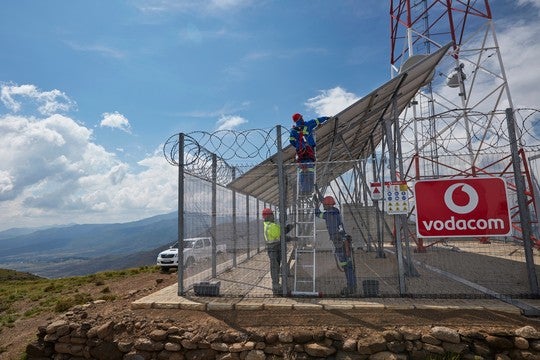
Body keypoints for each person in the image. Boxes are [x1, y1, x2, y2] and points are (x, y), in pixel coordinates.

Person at [315, 195, 357, 296]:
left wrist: (316, 205)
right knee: (348, 265)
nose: (323, 206)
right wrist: (321, 200)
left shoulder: (328, 214)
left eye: (324, 205)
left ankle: (351, 287)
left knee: (346, 266)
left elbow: (318, 214)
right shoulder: (335, 211)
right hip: (343, 239)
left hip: (339, 241)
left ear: (327, 205)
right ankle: (352, 285)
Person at [289, 113, 331, 195]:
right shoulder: (307, 125)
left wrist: (298, 146)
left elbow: (291, 141)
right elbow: (317, 120)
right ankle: (309, 190)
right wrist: (326, 118)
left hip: (301, 154)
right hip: (309, 153)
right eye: (302, 117)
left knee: (302, 172)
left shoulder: (293, 130)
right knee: (310, 171)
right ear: (300, 118)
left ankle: (303, 190)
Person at [262, 208, 295, 295]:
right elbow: (282, 234)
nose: (273, 216)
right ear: (268, 216)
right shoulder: (270, 226)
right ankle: (276, 287)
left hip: (276, 248)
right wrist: (291, 229)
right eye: (272, 214)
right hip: (273, 249)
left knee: (276, 267)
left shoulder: (271, 224)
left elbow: (281, 233)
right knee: (275, 268)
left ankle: (277, 285)